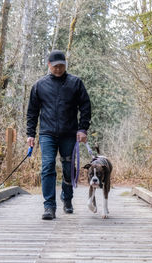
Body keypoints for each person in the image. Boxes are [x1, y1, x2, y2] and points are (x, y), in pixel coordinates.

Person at [26, 50, 91, 220]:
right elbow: (32, 112)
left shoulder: (75, 83)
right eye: (55, 66)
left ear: (65, 64)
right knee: (47, 166)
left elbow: (85, 107)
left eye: (61, 65)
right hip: (47, 133)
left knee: (69, 168)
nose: (58, 69)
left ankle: (67, 198)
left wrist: (83, 129)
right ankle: (49, 206)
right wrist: (30, 134)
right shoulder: (39, 85)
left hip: (69, 133)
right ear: (49, 65)